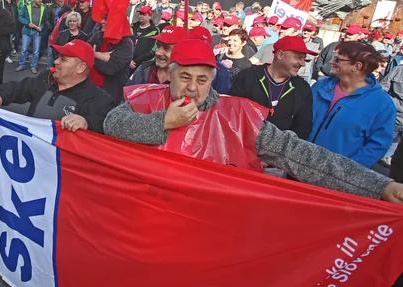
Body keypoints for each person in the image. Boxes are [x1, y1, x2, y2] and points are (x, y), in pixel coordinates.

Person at [103, 39, 403, 204]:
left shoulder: (238, 115)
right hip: (145, 212)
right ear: (172, 75)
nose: (193, 88)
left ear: (213, 80)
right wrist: (162, 122)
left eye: (202, 79)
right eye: (185, 78)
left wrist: (377, 185)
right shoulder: (146, 99)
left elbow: (299, 154)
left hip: (207, 222)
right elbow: (112, 125)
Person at [0, 39, 115, 133]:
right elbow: (18, 88)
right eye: (58, 57)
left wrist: (87, 123)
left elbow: (109, 127)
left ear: (80, 68)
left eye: (63, 59)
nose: (56, 61)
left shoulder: (100, 100)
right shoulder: (46, 78)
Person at [308, 41, 395, 168]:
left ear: (357, 66)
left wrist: (346, 170)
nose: (331, 62)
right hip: (298, 166)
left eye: (337, 59)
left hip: (337, 177)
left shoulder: (382, 104)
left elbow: (377, 146)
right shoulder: (321, 86)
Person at [230, 36, 315, 139]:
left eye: (304, 59)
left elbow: (304, 126)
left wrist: (282, 143)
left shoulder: (302, 88)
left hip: (277, 152)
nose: (302, 63)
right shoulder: (248, 76)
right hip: (242, 144)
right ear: (280, 54)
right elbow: (231, 112)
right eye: (298, 57)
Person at [88, 17, 134, 104]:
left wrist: (93, 55)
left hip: (108, 96)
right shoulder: (98, 35)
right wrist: (101, 56)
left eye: (106, 19)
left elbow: (110, 68)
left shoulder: (126, 43)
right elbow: (84, 54)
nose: (102, 22)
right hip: (89, 88)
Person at [17, 0, 46, 74]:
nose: (40, 1)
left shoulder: (44, 7)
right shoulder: (26, 6)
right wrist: (27, 23)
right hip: (27, 31)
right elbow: (20, 17)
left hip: (37, 32)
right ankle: (21, 64)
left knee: (36, 51)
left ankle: (34, 66)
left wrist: (42, 26)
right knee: (23, 49)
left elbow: (45, 19)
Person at [130, 6, 159, 74]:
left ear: (149, 16)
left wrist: (135, 61)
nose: (141, 16)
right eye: (140, 14)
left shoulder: (154, 31)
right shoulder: (132, 27)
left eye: (144, 14)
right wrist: (128, 60)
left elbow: (152, 50)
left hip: (141, 66)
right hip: (127, 63)